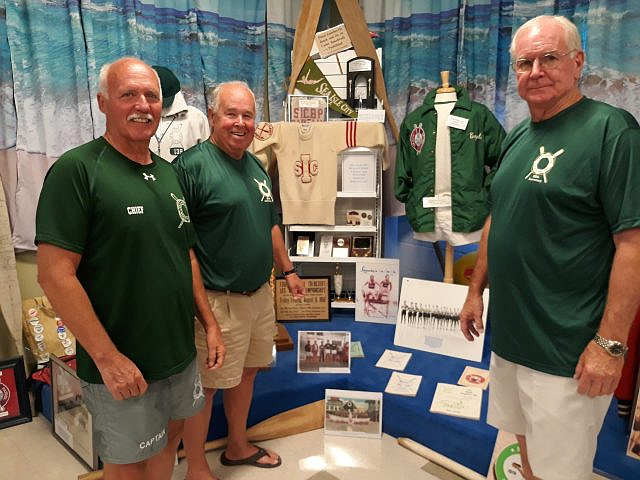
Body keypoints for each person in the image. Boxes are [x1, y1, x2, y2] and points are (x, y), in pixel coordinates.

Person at [459, 15, 640, 480]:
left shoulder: (612, 132)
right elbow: (498, 217)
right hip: (511, 341)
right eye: (524, 62)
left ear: (578, 62)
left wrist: (610, 345)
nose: (535, 70)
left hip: (568, 352)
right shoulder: (519, 134)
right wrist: (475, 290)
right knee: (526, 460)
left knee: (561, 471)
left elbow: (634, 244)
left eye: (549, 58)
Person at [35, 57, 225, 480]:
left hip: (176, 353)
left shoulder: (168, 174)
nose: (142, 104)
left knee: (170, 440)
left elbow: (186, 254)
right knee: (128, 464)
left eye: (151, 96)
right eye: (129, 94)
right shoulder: (78, 171)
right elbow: (54, 274)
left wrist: (208, 323)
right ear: (103, 102)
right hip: (123, 362)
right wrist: (108, 359)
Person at [174, 81, 305, 479]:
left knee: (246, 373)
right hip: (217, 301)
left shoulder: (255, 165)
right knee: (208, 386)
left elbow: (270, 223)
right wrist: (206, 318)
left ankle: (236, 445)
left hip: (258, 295)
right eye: (231, 113)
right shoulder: (191, 167)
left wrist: (289, 270)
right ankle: (196, 466)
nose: (240, 123)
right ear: (212, 117)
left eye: (248, 115)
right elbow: (184, 248)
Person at [150, 65, 210, 162]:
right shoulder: (137, 119)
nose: (160, 105)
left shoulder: (196, 118)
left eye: (163, 101)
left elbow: (207, 159)